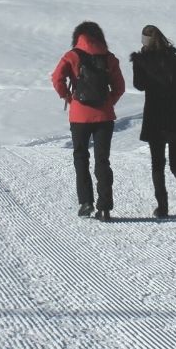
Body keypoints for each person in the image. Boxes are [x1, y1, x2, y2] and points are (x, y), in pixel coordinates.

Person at [51, 21, 126, 220]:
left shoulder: (72, 56)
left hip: (79, 115)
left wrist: (68, 97)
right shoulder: (109, 58)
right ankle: (105, 207)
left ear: (78, 37)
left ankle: (86, 202)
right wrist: (109, 102)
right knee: (103, 160)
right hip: (104, 116)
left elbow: (56, 79)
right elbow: (120, 87)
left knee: (81, 158)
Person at [131, 24, 176, 220]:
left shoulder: (142, 61)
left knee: (157, 164)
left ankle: (162, 207)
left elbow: (139, 85)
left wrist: (141, 61)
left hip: (155, 118)